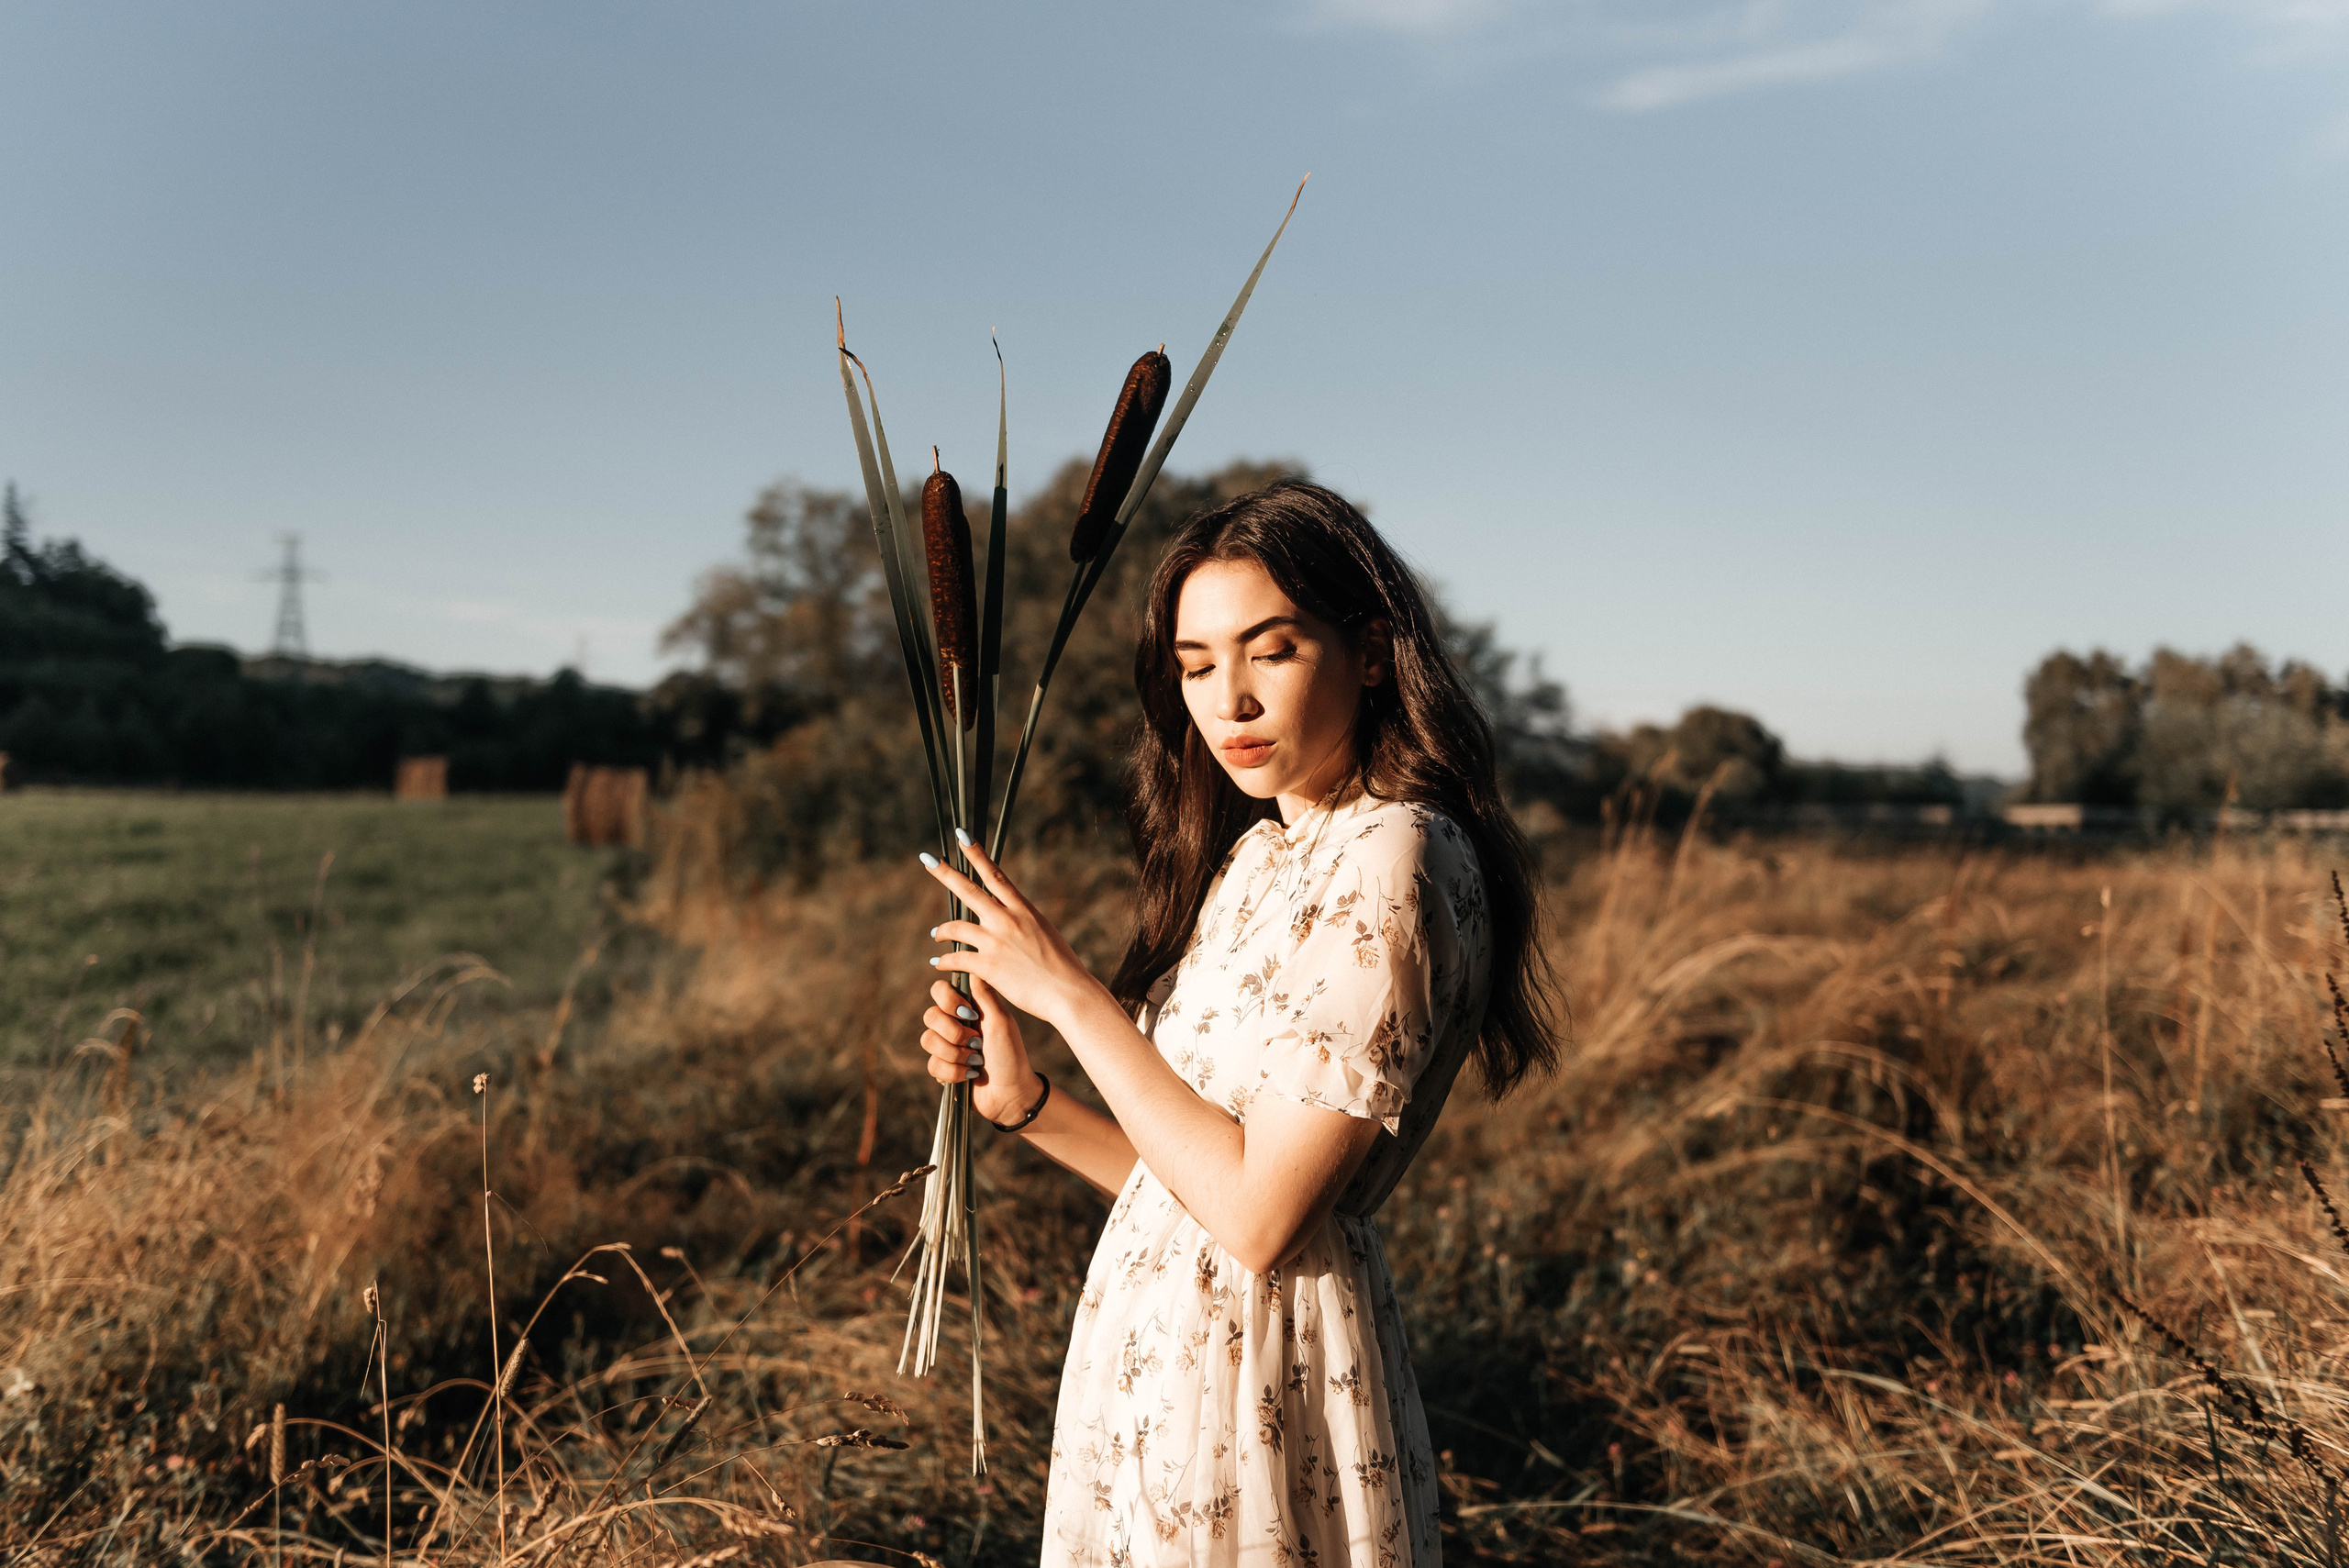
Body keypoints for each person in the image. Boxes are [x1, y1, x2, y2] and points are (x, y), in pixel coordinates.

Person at [913, 479, 1558, 1567]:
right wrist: (1022, 1101)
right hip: (1153, 1365)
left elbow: (1261, 1219)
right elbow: (1189, 1188)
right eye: (1198, 664)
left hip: (1263, 1382)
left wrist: (1070, 994)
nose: (1231, 701)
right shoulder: (1259, 857)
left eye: (1271, 650)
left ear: (1367, 651)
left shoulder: (1394, 854)